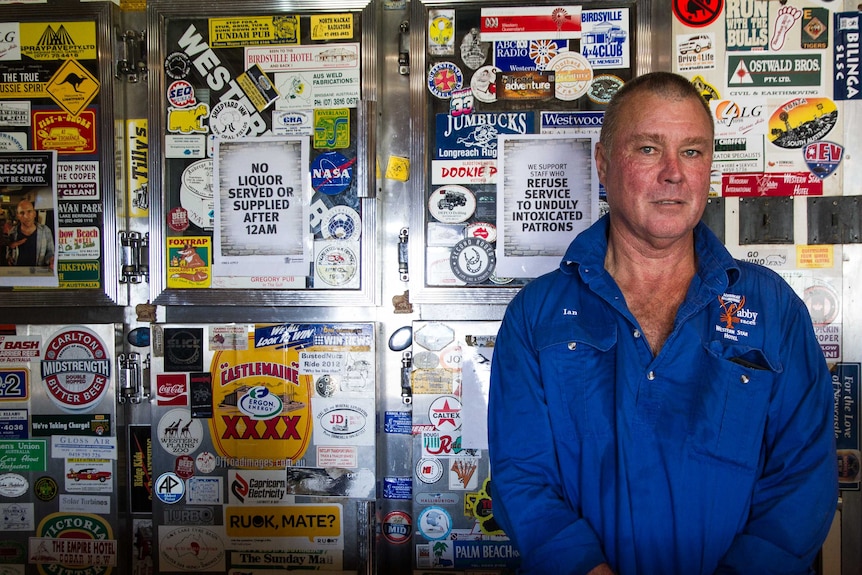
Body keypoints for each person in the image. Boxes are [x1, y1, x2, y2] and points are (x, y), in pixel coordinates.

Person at [488, 72, 837, 575]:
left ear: (709, 167)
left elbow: (803, 479)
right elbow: (522, 477)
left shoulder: (774, 309)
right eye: (649, 149)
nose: (674, 173)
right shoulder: (536, 316)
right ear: (604, 165)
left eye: (692, 152)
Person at [5, 198, 54, 268]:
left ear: (34, 213)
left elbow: (50, 252)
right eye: (22, 213)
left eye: (29, 211)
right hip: (18, 273)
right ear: (18, 216)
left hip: (38, 273)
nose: (26, 216)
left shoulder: (45, 231)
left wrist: (51, 260)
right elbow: (8, 253)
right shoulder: (12, 232)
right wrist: (9, 258)